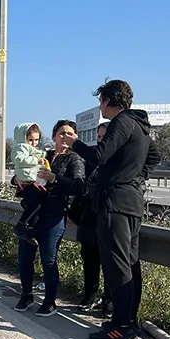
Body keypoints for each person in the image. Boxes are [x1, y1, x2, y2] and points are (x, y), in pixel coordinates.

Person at [64, 79, 160, 339]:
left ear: (108, 100)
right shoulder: (140, 125)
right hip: (132, 203)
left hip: (114, 203)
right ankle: (128, 319)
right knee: (129, 263)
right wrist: (135, 179)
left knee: (117, 265)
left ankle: (122, 325)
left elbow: (99, 156)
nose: (100, 107)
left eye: (101, 102)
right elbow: (154, 156)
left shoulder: (122, 121)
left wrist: (75, 144)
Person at [13, 120, 85, 317]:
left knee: (48, 259)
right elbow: (22, 170)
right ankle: (26, 294)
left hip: (54, 215)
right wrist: (16, 179)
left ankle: (50, 301)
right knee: (25, 256)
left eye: (69, 134)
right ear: (53, 136)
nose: (65, 137)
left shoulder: (74, 159)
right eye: (61, 133)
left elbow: (79, 186)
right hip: (33, 214)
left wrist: (54, 178)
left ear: (75, 137)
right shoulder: (42, 154)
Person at [73, 122, 112, 315]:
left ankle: (109, 300)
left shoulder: (118, 159)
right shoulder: (91, 159)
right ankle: (90, 295)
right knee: (89, 259)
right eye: (99, 137)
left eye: (105, 137)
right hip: (89, 216)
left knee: (110, 262)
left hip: (109, 216)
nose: (101, 141)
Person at [11, 123, 49, 244]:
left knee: (38, 203)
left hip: (33, 179)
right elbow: (19, 160)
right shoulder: (20, 147)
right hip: (26, 180)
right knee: (37, 202)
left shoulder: (37, 149)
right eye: (30, 140)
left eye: (36, 140)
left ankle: (29, 229)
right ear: (23, 138)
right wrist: (36, 160)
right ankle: (21, 225)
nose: (34, 143)